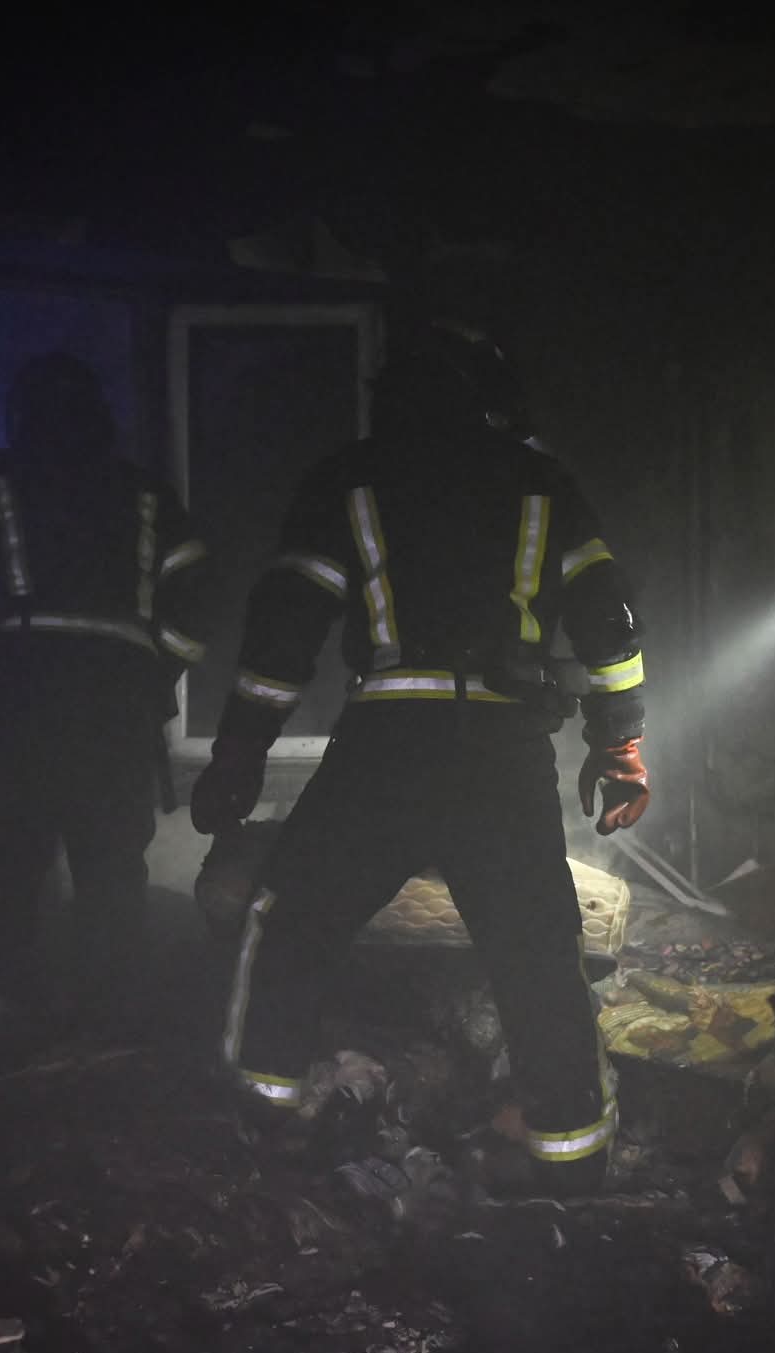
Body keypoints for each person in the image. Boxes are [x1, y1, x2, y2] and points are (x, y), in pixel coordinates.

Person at [191, 318, 649, 1193]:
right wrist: (620, 742)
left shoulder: (349, 479)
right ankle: (575, 1164)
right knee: (538, 952)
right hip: (503, 752)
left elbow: (286, 624)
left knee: (289, 917)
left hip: (388, 747)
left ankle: (258, 1125)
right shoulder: (543, 482)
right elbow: (609, 618)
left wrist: (240, 750)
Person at [0, 352, 220, 1040]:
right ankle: (110, 1033)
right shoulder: (149, 496)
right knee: (111, 871)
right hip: (116, 711)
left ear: (23, 414)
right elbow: (197, 611)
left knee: (6, 864)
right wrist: (152, 677)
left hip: (17, 704)